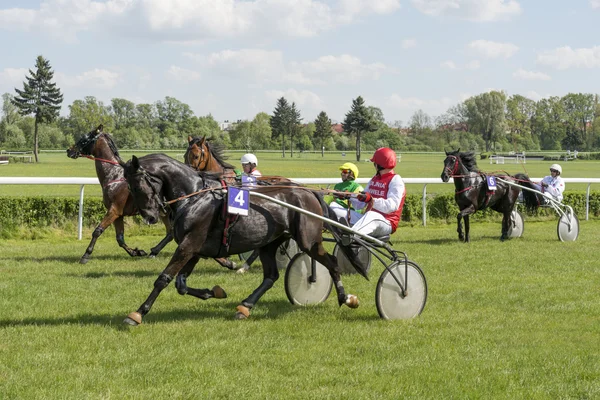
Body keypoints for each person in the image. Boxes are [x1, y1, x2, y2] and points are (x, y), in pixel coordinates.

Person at [345, 147, 406, 238]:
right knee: (336, 209)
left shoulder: (396, 180)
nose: (374, 164)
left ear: (379, 165)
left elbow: (392, 206)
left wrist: (371, 200)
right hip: (367, 219)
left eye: (375, 163)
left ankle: (351, 236)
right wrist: (349, 196)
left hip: (387, 222)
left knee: (372, 215)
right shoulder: (375, 178)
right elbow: (360, 204)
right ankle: (341, 232)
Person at [236, 153, 261, 274]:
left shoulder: (255, 175)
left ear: (252, 165)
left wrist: (240, 179)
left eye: (245, 166)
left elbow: (247, 189)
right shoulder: (248, 175)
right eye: (242, 165)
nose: (243, 168)